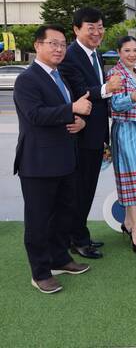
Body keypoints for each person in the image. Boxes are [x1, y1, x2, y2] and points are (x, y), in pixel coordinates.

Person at [13, 24, 93, 293]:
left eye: (62, 44)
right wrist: (72, 108)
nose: (59, 49)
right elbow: (35, 115)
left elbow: (66, 113)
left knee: (64, 214)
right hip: (38, 163)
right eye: (53, 43)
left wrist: (79, 121)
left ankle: (60, 259)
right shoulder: (27, 79)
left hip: (65, 159)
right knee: (39, 220)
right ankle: (40, 272)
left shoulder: (59, 77)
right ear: (38, 45)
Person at [59, 7, 123, 259]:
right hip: (80, 136)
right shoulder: (70, 55)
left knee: (86, 190)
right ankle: (76, 240)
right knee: (79, 191)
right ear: (76, 29)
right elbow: (81, 91)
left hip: (95, 135)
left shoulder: (95, 55)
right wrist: (108, 87)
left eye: (100, 27)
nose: (97, 32)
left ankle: (79, 235)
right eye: (91, 28)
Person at [107, 36, 136, 253]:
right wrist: (132, 97)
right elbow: (114, 104)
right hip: (125, 130)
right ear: (119, 52)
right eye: (127, 50)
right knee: (133, 182)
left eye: (135, 50)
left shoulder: (135, 73)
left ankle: (128, 223)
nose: (132, 54)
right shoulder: (115, 74)